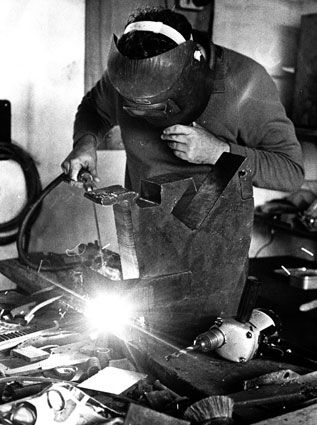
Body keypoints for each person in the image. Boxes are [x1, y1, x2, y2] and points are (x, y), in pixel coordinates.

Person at [61, 6, 304, 194]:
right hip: (141, 232)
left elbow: (290, 172)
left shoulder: (245, 81)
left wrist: (219, 153)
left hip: (216, 247)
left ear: (192, 67)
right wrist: (85, 142)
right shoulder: (129, 72)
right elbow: (94, 109)